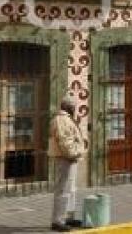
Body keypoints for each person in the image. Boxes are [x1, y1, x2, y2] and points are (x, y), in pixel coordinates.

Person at [49, 92, 88, 232]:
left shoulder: (66, 119)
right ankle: (58, 220)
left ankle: (68, 217)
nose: (75, 109)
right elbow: (65, 142)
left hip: (70, 158)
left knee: (70, 189)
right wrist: (74, 153)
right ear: (69, 107)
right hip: (65, 158)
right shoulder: (62, 120)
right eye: (74, 106)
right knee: (63, 190)